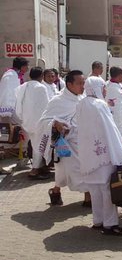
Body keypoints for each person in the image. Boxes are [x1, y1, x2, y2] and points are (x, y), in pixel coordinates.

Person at [76, 93, 122, 236]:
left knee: (95, 190)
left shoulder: (80, 104)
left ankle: (98, 221)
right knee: (107, 191)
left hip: (89, 156)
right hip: (104, 155)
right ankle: (110, 224)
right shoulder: (100, 104)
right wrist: (121, 154)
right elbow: (111, 130)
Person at [36, 70, 87, 206]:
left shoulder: (84, 99)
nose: (83, 86)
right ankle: (89, 197)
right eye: (79, 83)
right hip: (65, 143)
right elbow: (43, 121)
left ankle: (55, 190)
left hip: (83, 142)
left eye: (84, 83)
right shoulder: (57, 100)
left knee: (78, 170)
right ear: (69, 84)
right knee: (76, 169)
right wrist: (55, 123)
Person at [15, 67, 53, 179]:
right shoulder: (41, 88)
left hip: (26, 122)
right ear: (41, 76)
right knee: (40, 146)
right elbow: (46, 106)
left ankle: (41, 166)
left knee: (35, 145)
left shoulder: (23, 86)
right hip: (38, 123)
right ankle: (35, 170)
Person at [105, 66, 122, 139]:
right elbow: (116, 108)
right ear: (119, 75)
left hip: (120, 120)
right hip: (116, 120)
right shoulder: (112, 88)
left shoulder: (118, 85)